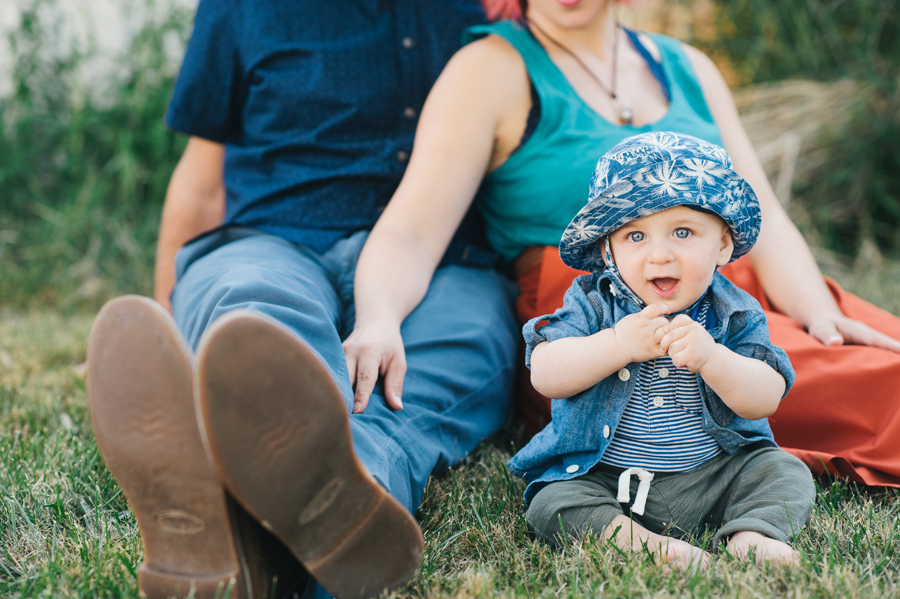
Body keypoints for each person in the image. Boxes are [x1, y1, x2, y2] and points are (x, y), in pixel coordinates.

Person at [357, 0, 900, 489]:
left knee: (874, 346)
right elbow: (411, 227)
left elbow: (767, 216)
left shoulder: (688, 66)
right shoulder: (490, 69)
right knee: (875, 390)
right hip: (605, 311)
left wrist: (818, 311)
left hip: (727, 287)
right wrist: (378, 317)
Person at [86, 2, 518, 599]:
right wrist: (168, 330)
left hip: (441, 258)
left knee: (448, 352)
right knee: (252, 317)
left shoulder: (491, 7)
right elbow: (201, 176)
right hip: (274, 237)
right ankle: (323, 508)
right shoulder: (238, 8)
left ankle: (265, 521)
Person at [508, 131, 815, 569]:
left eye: (684, 232)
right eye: (635, 237)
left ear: (723, 244)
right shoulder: (592, 304)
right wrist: (616, 344)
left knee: (784, 471)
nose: (660, 255)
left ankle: (752, 534)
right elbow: (546, 373)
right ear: (607, 249)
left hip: (714, 474)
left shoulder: (733, 312)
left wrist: (713, 359)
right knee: (552, 502)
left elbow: (766, 396)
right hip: (605, 478)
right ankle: (648, 546)